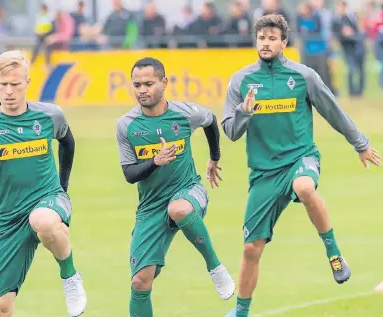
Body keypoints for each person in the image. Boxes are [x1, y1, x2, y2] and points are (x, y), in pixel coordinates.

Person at [222, 14, 381, 317]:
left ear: (284, 43)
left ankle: (333, 252)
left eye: (272, 38)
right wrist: (245, 110)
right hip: (264, 173)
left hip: (300, 158)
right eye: (261, 38)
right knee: (250, 249)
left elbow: (333, 111)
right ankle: (241, 311)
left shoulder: (304, 76)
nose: (265, 43)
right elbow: (230, 131)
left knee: (305, 186)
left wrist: (360, 143)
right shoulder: (241, 81)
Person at [0, 50, 87, 317]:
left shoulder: (50, 115)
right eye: (3, 85)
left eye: (15, 84)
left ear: (27, 82)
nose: (9, 91)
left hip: (47, 201)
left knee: (44, 221)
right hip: (8, 219)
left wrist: (62, 189)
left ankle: (70, 277)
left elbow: (68, 143)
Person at [116, 57, 235, 317]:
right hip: (150, 206)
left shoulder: (184, 114)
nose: (142, 90)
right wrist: (155, 162)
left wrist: (214, 158)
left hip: (188, 190)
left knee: (179, 209)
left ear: (164, 83)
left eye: (148, 83)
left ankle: (215, 266)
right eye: (136, 85)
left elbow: (211, 120)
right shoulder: (126, 125)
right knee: (140, 281)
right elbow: (129, 174)